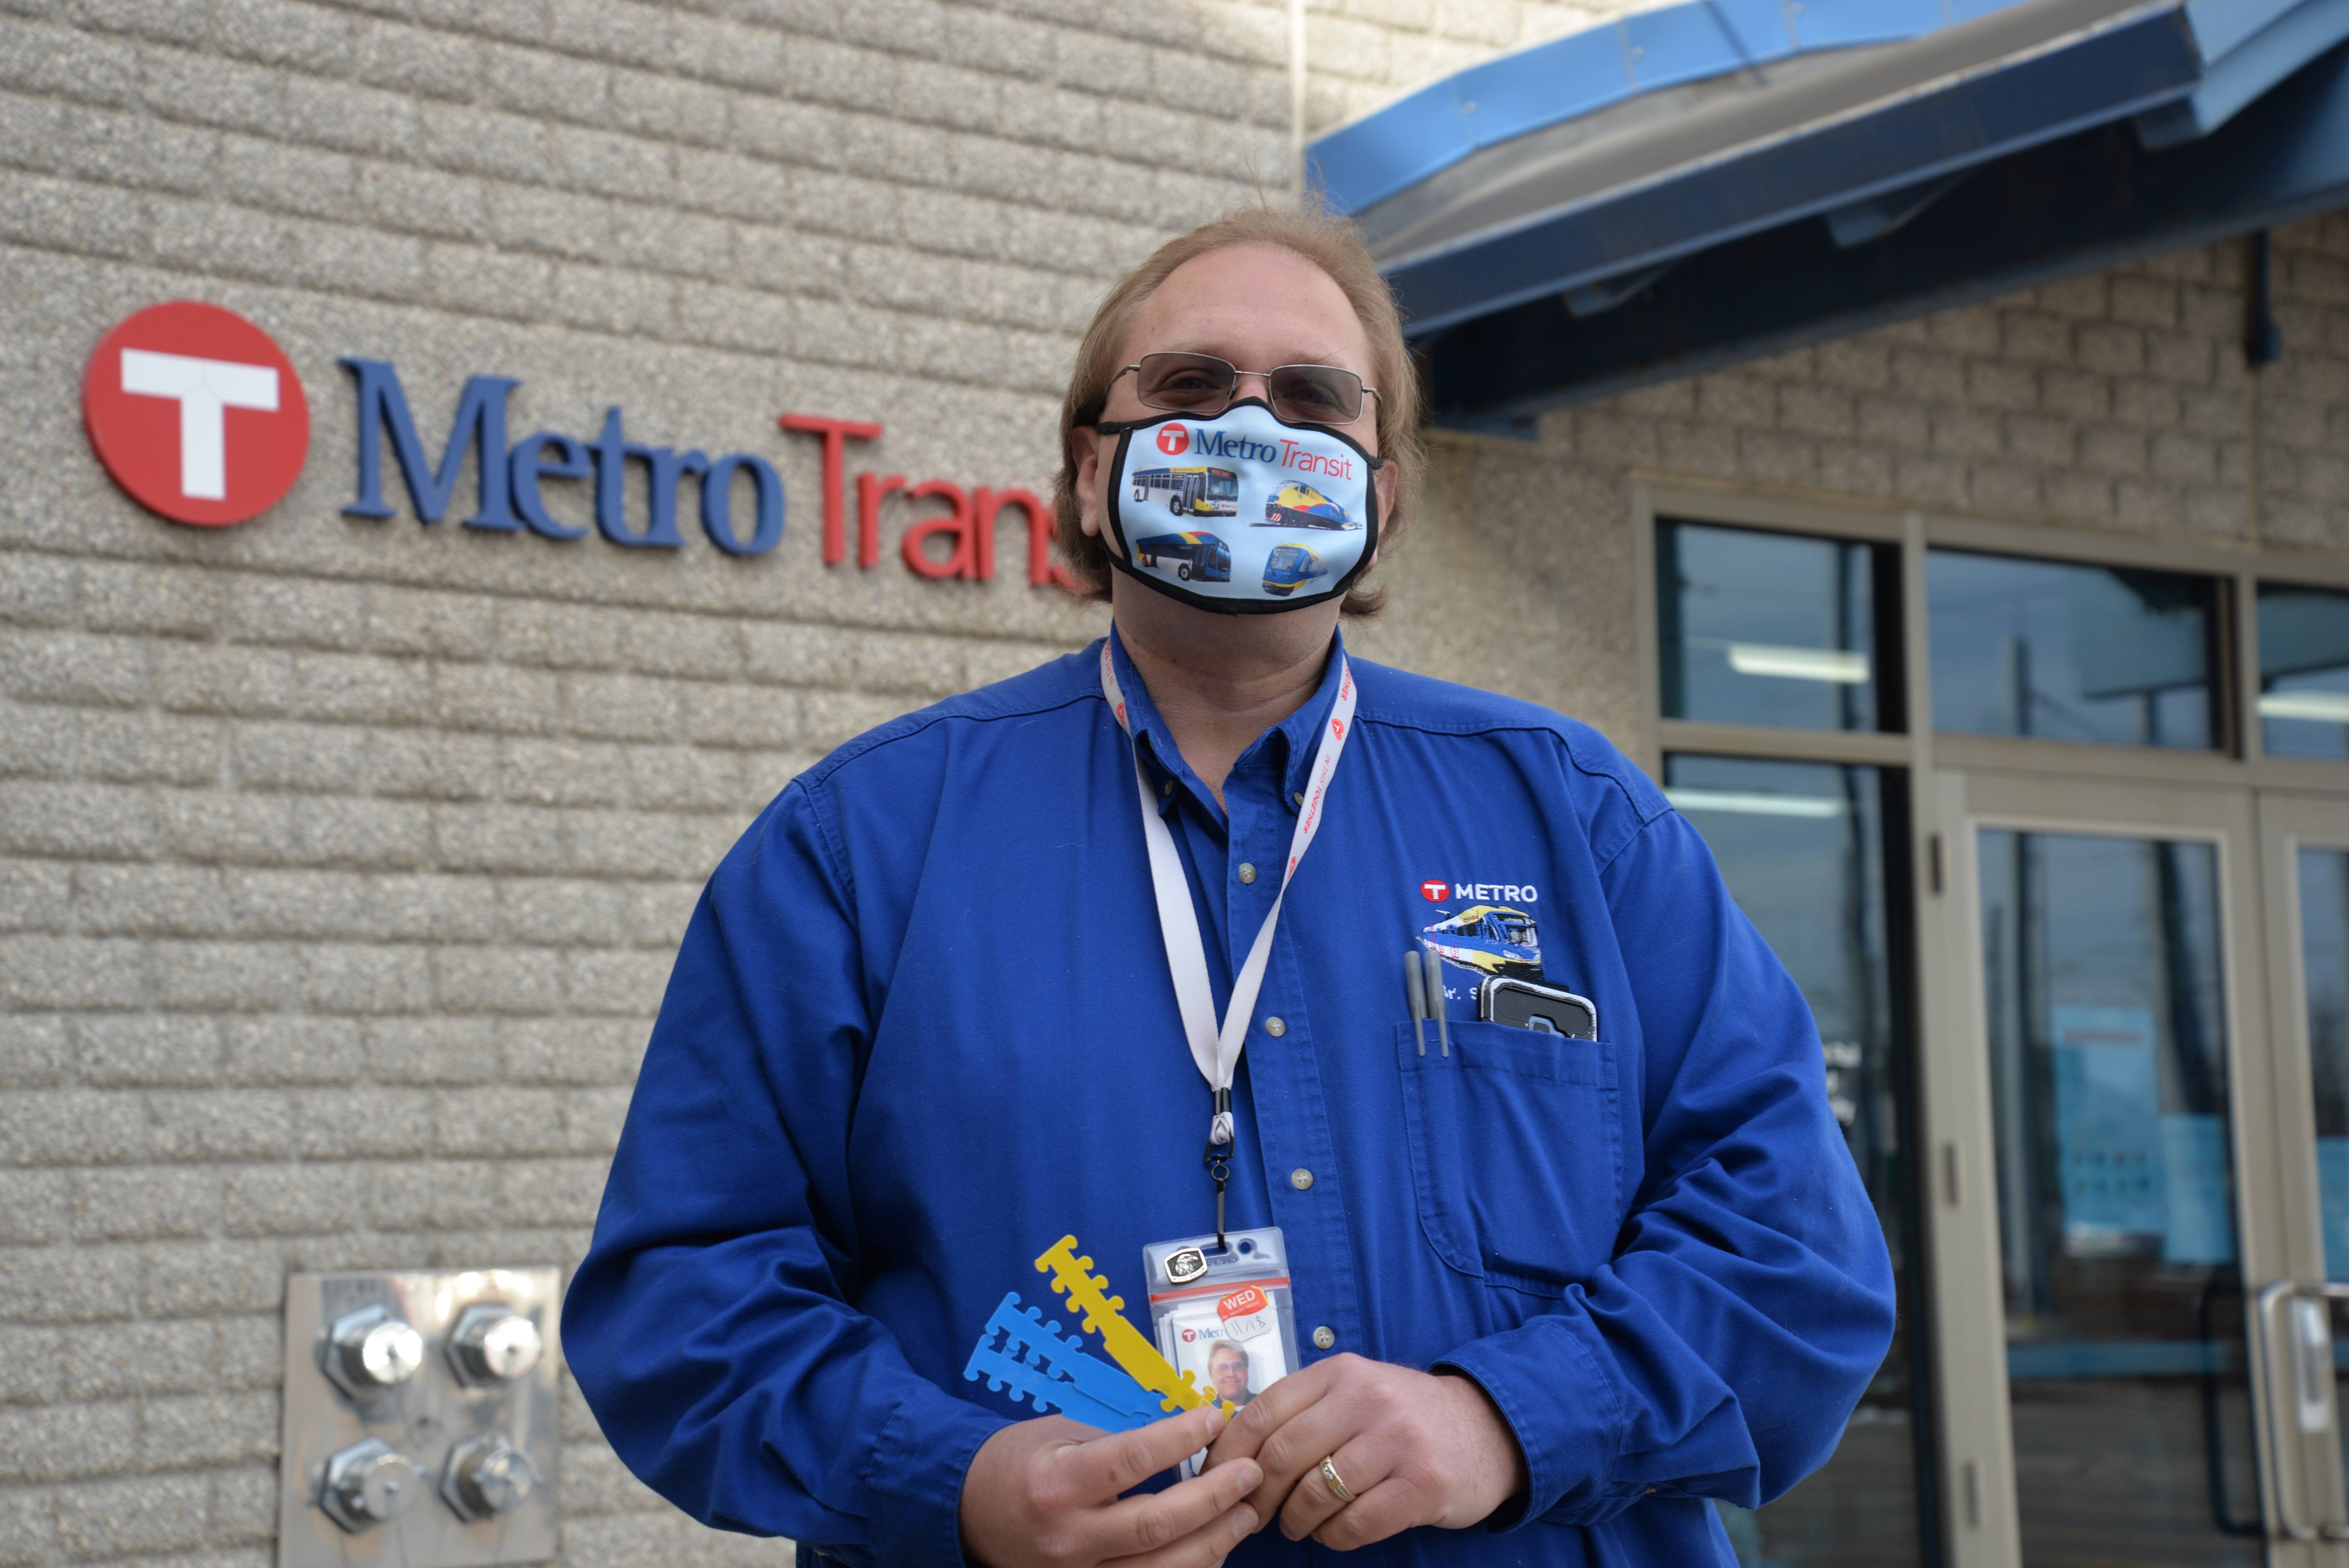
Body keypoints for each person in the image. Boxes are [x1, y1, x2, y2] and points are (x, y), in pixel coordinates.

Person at [563, 205, 1896, 1568]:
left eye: (1311, 398)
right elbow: (681, 1301)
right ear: (1089, 474)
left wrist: (1500, 1420)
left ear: (1379, 492)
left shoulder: (1578, 821)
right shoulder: (855, 847)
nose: (1250, 429)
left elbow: (1792, 1256)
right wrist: (953, 1479)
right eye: (1192, 387)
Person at [1208, 1342, 1254, 1408]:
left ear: (1247, 1371)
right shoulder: (1202, 1414)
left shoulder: (1268, 1405)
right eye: (1223, 1368)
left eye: (1238, 1366)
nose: (1231, 1374)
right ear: (1211, 1376)